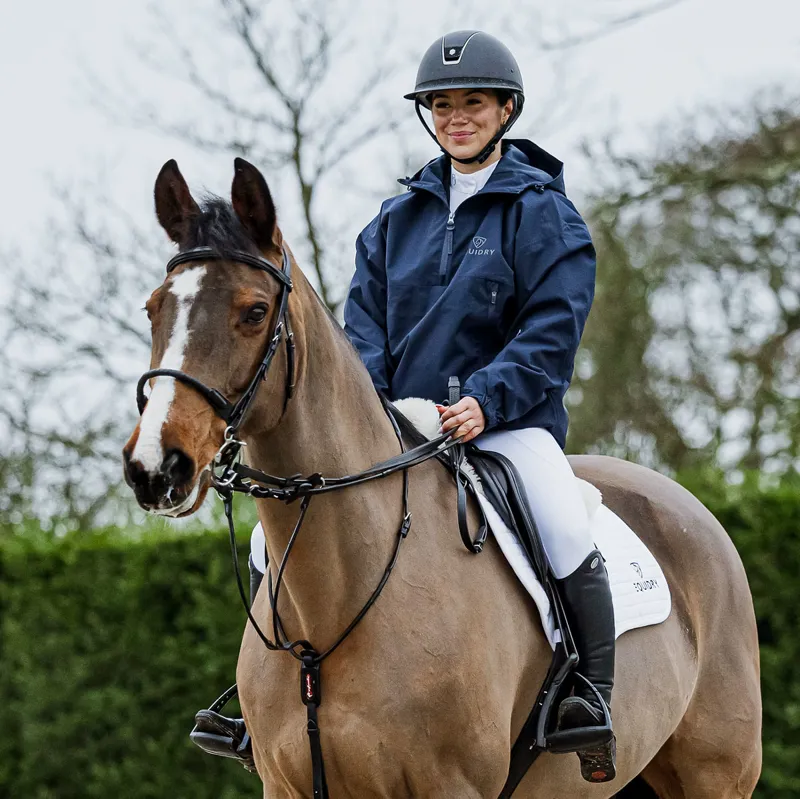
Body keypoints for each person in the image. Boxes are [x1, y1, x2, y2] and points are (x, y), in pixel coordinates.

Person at [192, 29, 616, 784]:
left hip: (503, 428)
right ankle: (257, 703)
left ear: (505, 110)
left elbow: (552, 329)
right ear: (429, 116)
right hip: (400, 430)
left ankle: (588, 696)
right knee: (269, 544)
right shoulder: (394, 222)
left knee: (561, 517)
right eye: (443, 106)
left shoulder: (544, 214)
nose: (457, 118)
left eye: (473, 104)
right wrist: (375, 411)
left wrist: (488, 398)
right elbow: (363, 336)